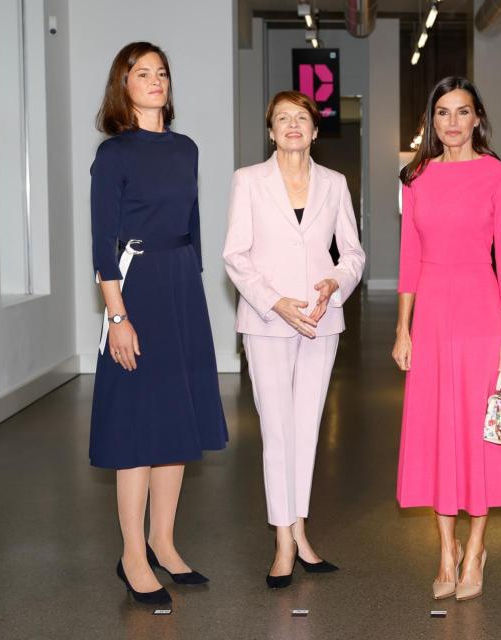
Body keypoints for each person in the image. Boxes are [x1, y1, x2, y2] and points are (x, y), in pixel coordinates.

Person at [90, 42, 228, 605]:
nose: (155, 81)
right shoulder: (114, 154)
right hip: (135, 287)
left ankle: (164, 544)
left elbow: (192, 226)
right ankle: (131, 555)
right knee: (138, 433)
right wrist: (117, 315)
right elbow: (102, 243)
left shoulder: (186, 148)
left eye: (161, 72)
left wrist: (192, 293)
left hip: (181, 290)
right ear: (123, 86)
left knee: (175, 428)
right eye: (141, 73)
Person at [223, 90, 365, 589]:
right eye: (282, 118)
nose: (291, 125)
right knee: (277, 430)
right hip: (268, 319)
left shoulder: (334, 183)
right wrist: (274, 300)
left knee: (306, 428)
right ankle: (282, 539)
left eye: (300, 118)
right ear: (270, 131)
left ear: (315, 130)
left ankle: (300, 531)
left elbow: (353, 253)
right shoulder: (249, 181)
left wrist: (335, 282)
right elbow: (234, 255)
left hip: (321, 319)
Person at [393, 76, 501, 602]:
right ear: (431, 120)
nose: (451, 122)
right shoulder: (415, 177)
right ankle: (446, 549)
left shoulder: (498, 175)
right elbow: (408, 259)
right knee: (436, 431)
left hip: (480, 310)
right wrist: (403, 328)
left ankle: (476, 550)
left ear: (477, 118)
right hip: (432, 315)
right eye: (442, 112)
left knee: (481, 431)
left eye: (461, 112)